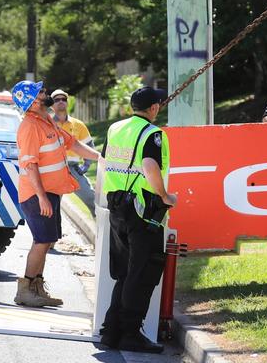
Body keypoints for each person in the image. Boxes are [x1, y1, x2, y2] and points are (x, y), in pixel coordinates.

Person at [99, 86, 177, 354]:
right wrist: (164, 195)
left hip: (117, 206)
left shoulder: (115, 128)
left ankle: (111, 331)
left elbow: (104, 159)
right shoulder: (152, 134)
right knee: (142, 272)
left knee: (124, 272)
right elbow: (150, 167)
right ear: (154, 108)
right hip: (141, 210)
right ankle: (130, 333)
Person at [11, 79, 101, 308]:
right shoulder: (30, 126)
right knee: (41, 241)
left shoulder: (47, 120)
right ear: (31, 102)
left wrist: (101, 158)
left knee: (47, 240)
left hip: (49, 192)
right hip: (36, 194)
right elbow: (30, 165)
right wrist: (41, 197)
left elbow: (73, 144)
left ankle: (37, 288)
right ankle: (26, 290)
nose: (45, 93)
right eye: (40, 92)